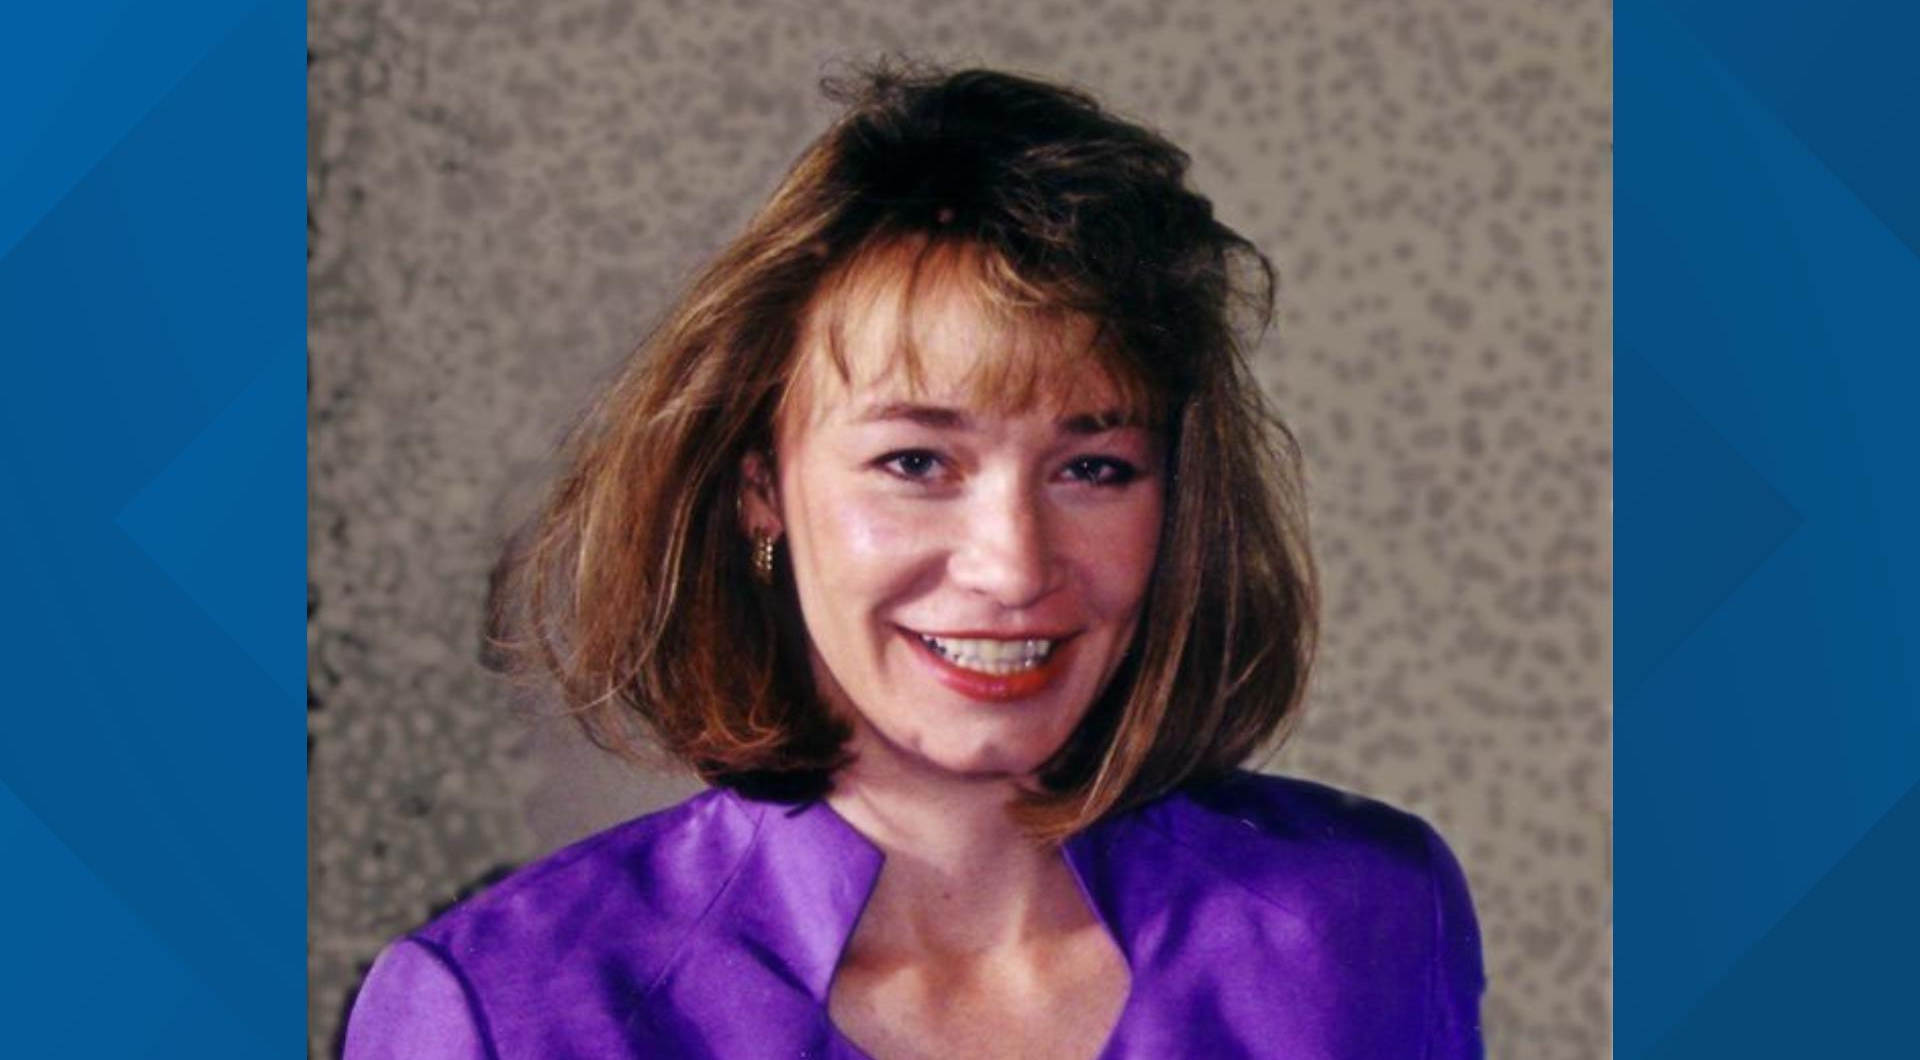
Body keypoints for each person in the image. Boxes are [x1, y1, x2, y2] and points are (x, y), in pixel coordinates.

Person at [342, 62, 1484, 1059]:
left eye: (1093, 468)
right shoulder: (505, 1011)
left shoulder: (1366, 924)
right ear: (759, 487)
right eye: (916, 461)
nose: (1012, 567)